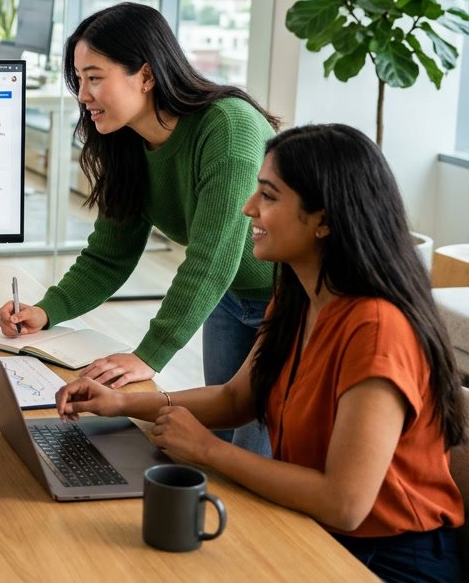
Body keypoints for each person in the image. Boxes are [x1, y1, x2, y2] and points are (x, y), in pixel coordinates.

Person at [55, 123, 465, 582]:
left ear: (324, 220)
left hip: (387, 561)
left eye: (268, 196)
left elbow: (345, 503)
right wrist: (122, 404)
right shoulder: (299, 295)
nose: (248, 208)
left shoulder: (376, 329)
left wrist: (210, 451)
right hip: (316, 530)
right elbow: (237, 400)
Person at [0, 1, 279, 453]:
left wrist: (149, 354)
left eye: (94, 77)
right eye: (80, 80)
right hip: (232, 297)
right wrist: (47, 310)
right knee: (219, 436)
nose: (83, 95)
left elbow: (213, 257)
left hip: (292, 301)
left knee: (250, 451)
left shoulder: (227, 128)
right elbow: (110, 253)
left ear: (145, 76)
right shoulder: (127, 141)